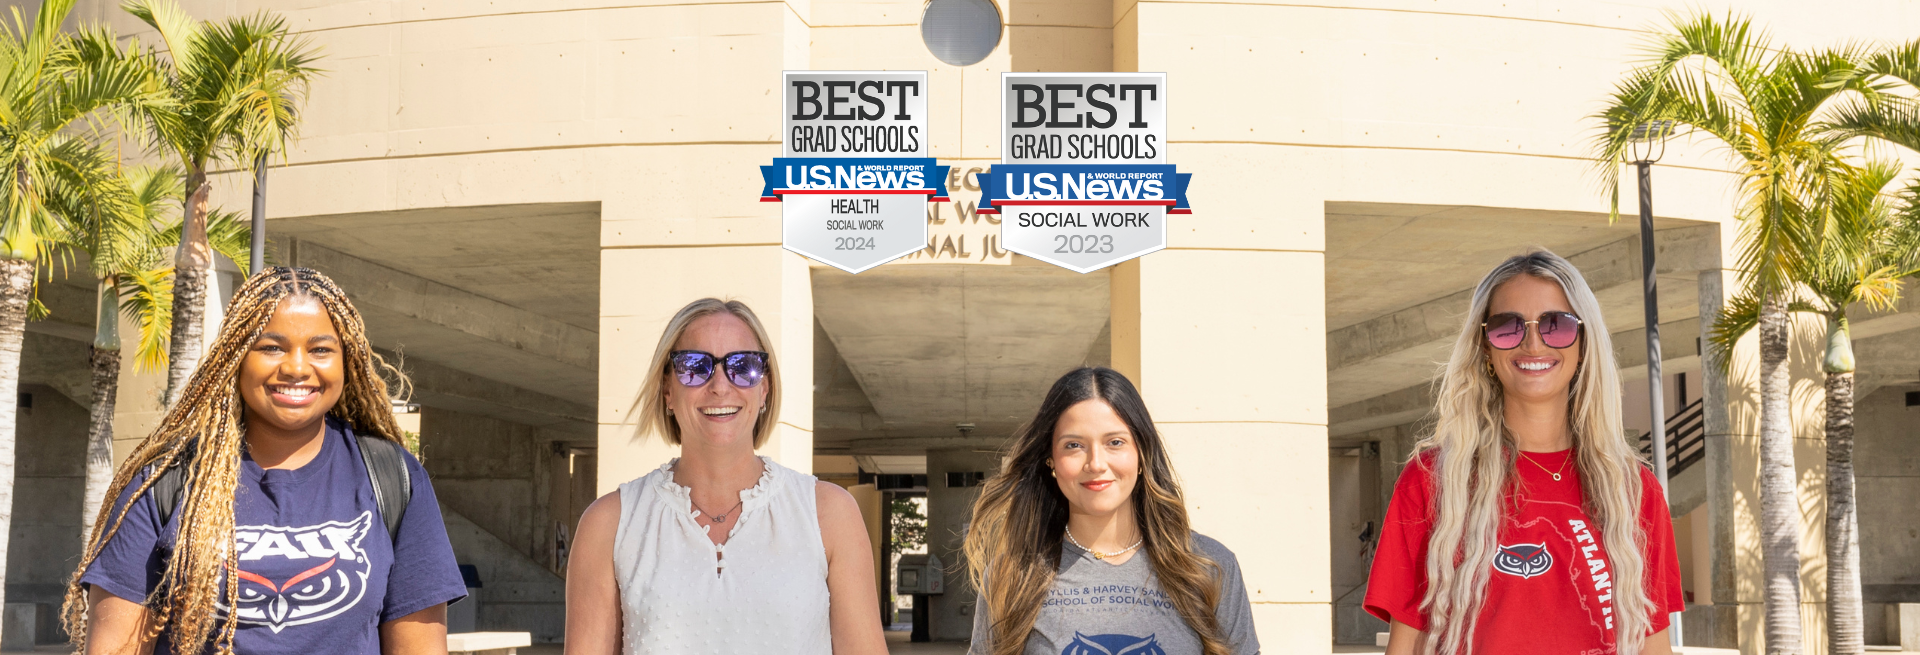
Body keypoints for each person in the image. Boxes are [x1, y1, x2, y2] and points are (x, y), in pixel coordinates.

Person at [65, 267, 467, 655]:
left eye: (320, 349)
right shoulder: (167, 479)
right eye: (271, 347)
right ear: (237, 357)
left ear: (348, 361)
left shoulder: (391, 477)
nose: (295, 367)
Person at [1364, 250, 1686, 655]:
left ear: (1584, 342)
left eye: (1556, 325)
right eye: (1507, 327)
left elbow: (1651, 647)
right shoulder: (1434, 479)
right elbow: (1404, 646)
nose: (1533, 343)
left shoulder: (1635, 492)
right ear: (1485, 347)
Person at [564, 298, 886, 655]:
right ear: (667, 389)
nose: (720, 385)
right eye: (694, 366)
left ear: (764, 388)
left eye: (743, 365)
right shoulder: (610, 524)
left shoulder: (828, 513)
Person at [965, 367, 1260, 655]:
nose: (1096, 463)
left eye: (1115, 442)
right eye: (1074, 445)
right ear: (1051, 460)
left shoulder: (1208, 566)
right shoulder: (1013, 575)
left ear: (1142, 453)